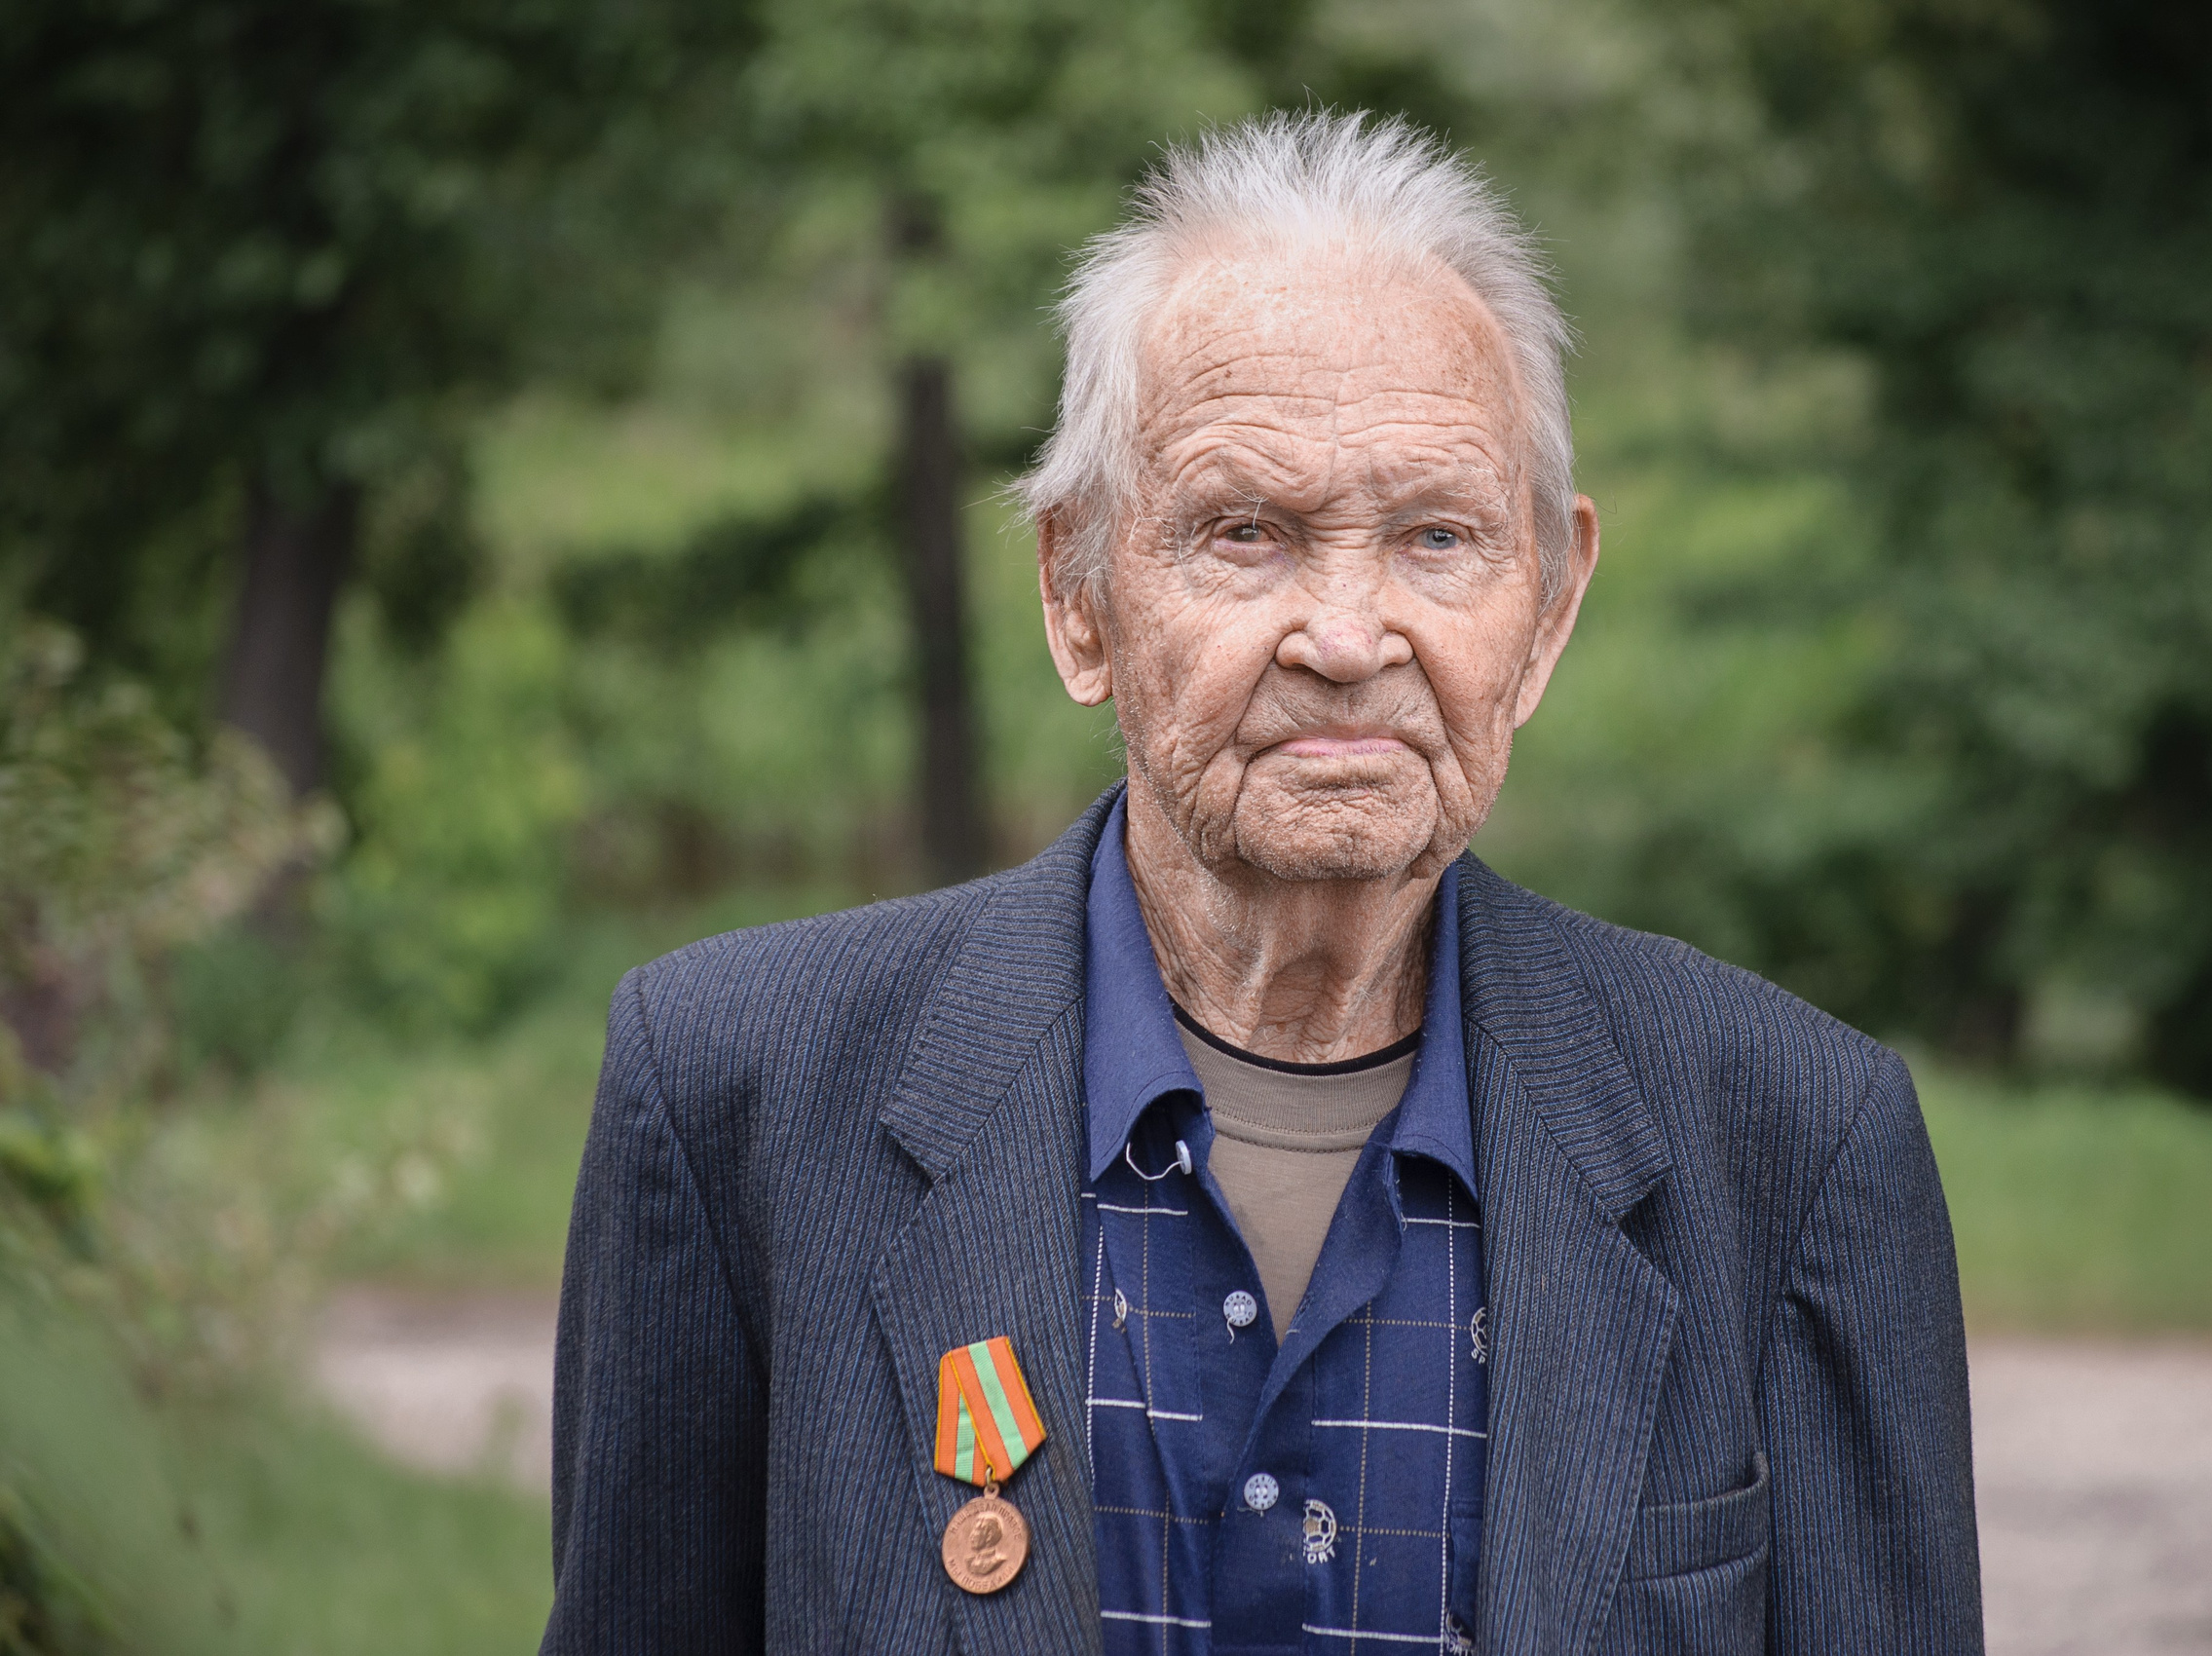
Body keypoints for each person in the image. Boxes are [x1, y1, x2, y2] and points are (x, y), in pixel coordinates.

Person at [543, 111, 1981, 1655]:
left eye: (1437, 537)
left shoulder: (1798, 1148)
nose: (1349, 637)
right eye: (1248, 533)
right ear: (1077, 595)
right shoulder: (735, 1100)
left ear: (1547, 611)